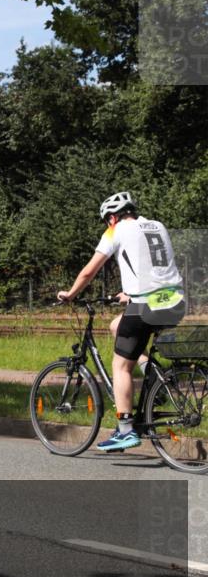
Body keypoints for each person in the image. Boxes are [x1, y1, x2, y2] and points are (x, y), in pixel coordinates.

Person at [57, 191, 185, 451]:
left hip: (147, 305)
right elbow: (156, 267)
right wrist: (130, 293)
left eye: (107, 221)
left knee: (120, 366)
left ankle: (125, 430)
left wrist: (70, 294)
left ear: (112, 218)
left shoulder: (116, 230)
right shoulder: (156, 226)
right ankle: (157, 382)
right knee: (118, 326)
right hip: (176, 302)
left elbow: (89, 271)